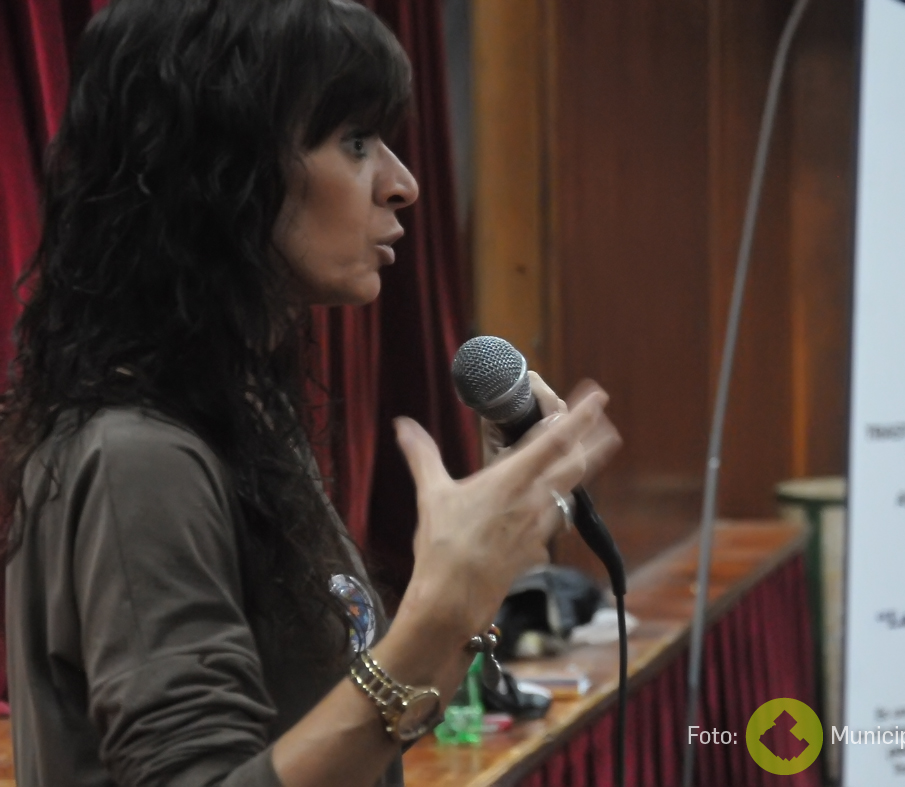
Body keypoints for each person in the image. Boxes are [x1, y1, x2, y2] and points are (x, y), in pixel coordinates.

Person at [0, 1, 620, 785]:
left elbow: (355, 724)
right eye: (355, 142)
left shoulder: (241, 415)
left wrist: (484, 568)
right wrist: (436, 610)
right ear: (222, 168)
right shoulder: (139, 457)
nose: (403, 183)